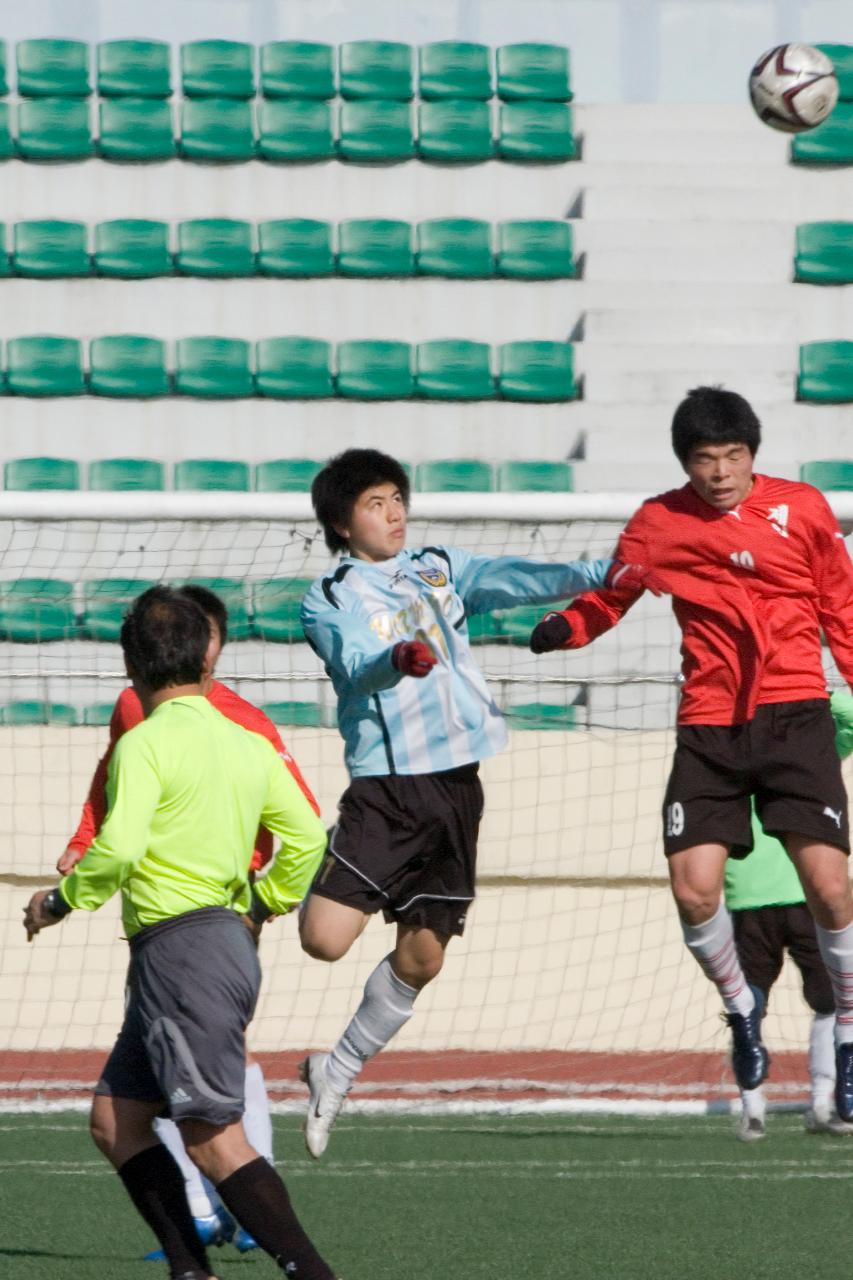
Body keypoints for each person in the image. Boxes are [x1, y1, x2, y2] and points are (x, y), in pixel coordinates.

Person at [296, 446, 650, 1158]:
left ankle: (334, 1071)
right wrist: (394, 660)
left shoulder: (435, 565)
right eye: (374, 503)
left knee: (422, 960)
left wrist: (598, 575)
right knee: (323, 940)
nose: (393, 513)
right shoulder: (333, 595)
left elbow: (510, 578)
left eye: (397, 497)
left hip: (457, 787)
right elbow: (352, 664)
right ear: (340, 522)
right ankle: (316, 867)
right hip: (389, 788)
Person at [529, 386, 853, 1120]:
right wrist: (566, 627)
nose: (719, 472)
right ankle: (741, 1009)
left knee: (830, 888)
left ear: (751, 454)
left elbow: (841, 604)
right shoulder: (656, 523)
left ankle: (849, 1035)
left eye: (732, 456)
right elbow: (611, 596)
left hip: (794, 711)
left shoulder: (801, 510)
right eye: (704, 460)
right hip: (707, 722)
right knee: (692, 889)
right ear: (686, 464)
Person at [24, 586, 336, 1280]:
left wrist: (60, 901)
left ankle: (313, 1275)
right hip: (218, 942)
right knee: (116, 1119)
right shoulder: (246, 740)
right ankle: (190, 1271)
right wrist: (264, 903)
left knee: (213, 1139)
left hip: (180, 951)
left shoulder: (143, 744)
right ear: (207, 659)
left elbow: (120, 847)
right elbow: (310, 836)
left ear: (131, 668)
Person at [729, 690, 853, 1141]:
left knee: (763, 1005)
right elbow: (850, 716)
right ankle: (795, 1104)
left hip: (782, 896)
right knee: (761, 1005)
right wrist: (816, 694)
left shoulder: (735, 751)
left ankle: (783, 1107)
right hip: (785, 897)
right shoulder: (799, 754)